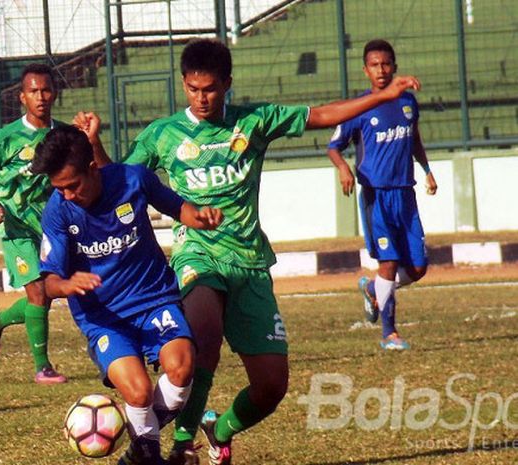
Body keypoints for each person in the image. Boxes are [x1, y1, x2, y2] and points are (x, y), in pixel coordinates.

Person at [77, 38, 422, 465]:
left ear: (227, 84)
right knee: (202, 335)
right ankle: (179, 445)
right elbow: (120, 181)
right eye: (192, 89)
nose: (201, 99)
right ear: (184, 84)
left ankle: (218, 430)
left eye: (210, 89)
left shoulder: (254, 122)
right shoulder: (163, 135)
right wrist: (93, 144)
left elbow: (320, 116)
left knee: (272, 386)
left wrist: (381, 96)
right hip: (197, 254)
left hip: (251, 262)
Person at [31, 125, 223, 465]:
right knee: (138, 392)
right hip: (103, 318)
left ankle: (135, 436)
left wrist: (200, 217)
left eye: (72, 186)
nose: (67, 195)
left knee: (181, 369)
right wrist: (68, 283)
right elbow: (49, 282)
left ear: (92, 168)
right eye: (59, 189)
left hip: (154, 300)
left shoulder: (134, 180)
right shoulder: (57, 211)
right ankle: (146, 451)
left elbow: (178, 207)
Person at [327, 39, 437, 351]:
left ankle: (373, 288)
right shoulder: (360, 109)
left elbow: (414, 139)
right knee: (389, 262)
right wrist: (343, 169)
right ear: (365, 70)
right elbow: (333, 146)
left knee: (417, 268)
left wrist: (427, 170)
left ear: (395, 67)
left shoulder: (407, 103)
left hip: (406, 195)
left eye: (386, 64)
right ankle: (389, 332)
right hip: (376, 196)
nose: (381, 70)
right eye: (374, 65)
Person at [0, 63, 68, 385]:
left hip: (48, 225)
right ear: (22, 97)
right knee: (38, 294)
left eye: (45, 90)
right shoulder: (6, 138)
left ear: (53, 93)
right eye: (33, 91)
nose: (40, 97)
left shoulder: (64, 135)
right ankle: (43, 368)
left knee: (45, 296)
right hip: (14, 225)